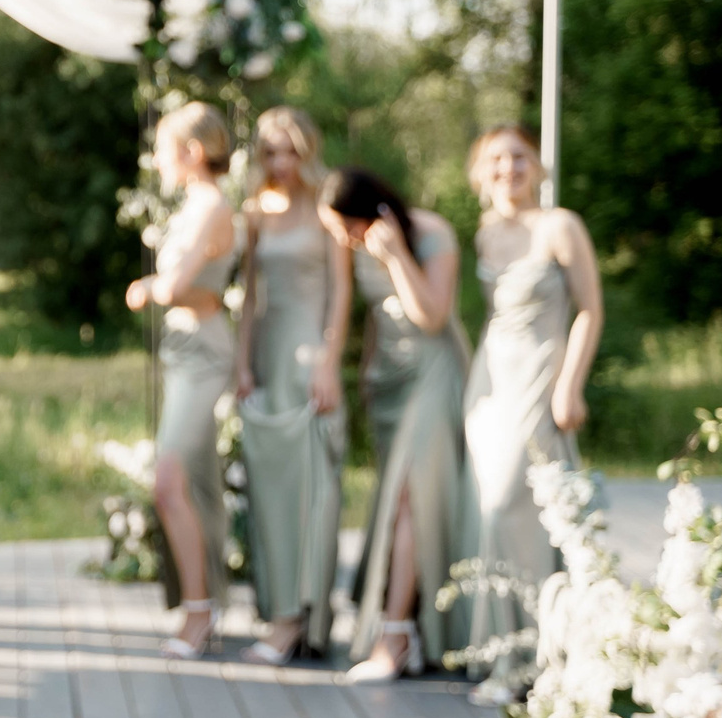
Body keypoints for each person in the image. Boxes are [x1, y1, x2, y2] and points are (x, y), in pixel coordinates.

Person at [323, 168, 472, 681]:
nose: (345, 240)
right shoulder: (349, 243)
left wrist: (395, 256)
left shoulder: (431, 234)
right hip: (389, 383)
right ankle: (416, 623)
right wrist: (366, 375)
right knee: (400, 502)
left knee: (410, 496)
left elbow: (430, 315)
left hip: (434, 373)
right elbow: (370, 315)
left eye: (350, 228)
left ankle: (395, 637)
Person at [460, 122, 603, 636]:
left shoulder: (560, 226)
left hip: (541, 373)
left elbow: (590, 310)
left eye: (519, 157)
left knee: (511, 502)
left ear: (538, 166)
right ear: (480, 173)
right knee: (483, 503)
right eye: (496, 160)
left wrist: (570, 384)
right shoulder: (485, 231)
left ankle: (535, 643)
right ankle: (493, 644)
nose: (509, 168)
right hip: (489, 379)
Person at [232, 107, 350, 663]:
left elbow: (341, 294)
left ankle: (304, 618)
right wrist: (241, 363)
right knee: (270, 491)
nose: (281, 162)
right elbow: (250, 295)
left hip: (310, 358)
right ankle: (279, 613)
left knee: (314, 490)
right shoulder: (256, 210)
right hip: (267, 357)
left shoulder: (328, 204)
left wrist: (329, 362)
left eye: (290, 150)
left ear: (308, 149)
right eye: (271, 152)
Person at [125, 103, 238, 660]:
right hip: (183, 347)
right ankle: (205, 601)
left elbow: (177, 286)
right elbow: (201, 291)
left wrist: (149, 287)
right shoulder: (194, 204)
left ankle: (198, 611)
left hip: (204, 353)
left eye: (164, 148)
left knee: (168, 482)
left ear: (192, 152)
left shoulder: (212, 205)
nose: (157, 159)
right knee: (193, 483)